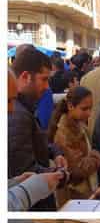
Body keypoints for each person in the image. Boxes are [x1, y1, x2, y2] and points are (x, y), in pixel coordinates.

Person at [9, 48, 67, 211]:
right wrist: (60, 174)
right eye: (44, 79)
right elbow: (25, 171)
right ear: (26, 77)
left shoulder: (23, 108)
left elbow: (32, 142)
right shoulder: (17, 115)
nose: (47, 87)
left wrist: (55, 151)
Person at [48, 86, 100, 201]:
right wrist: (96, 157)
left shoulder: (79, 123)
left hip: (82, 192)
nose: (89, 113)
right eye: (84, 109)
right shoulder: (63, 133)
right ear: (70, 106)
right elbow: (76, 171)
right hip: (74, 195)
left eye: (90, 108)